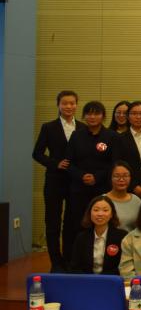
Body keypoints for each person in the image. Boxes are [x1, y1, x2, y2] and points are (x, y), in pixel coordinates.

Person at [33, 90, 85, 271]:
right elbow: (37, 153)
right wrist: (55, 163)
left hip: (75, 182)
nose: (69, 106)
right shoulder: (48, 127)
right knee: (53, 222)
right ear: (58, 105)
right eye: (65, 103)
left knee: (72, 222)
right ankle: (56, 261)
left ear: (76, 105)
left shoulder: (83, 127)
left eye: (72, 103)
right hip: (55, 180)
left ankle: (70, 260)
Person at [65, 100, 119, 261]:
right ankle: (74, 262)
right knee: (76, 225)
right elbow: (68, 163)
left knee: (102, 224)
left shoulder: (111, 136)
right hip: (78, 189)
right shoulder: (76, 135)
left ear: (103, 116)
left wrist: (97, 177)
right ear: (84, 116)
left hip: (102, 189)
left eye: (96, 114)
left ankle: (101, 260)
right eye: (89, 114)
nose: (92, 117)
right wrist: (81, 176)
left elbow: (114, 164)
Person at [68, 195, 128, 275]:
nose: (100, 214)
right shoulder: (81, 237)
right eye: (96, 210)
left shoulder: (122, 236)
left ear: (111, 214)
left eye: (105, 210)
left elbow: (124, 266)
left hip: (112, 280)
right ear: (90, 213)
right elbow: (74, 267)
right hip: (86, 280)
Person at [116, 101, 141, 200]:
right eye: (134, 113)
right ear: (128, 116)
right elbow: (118, 164)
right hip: (128, 188)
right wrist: (133, 186)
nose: (138, 117)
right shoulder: (119, 139)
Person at [105, 161, 141, 231]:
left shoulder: (137, 201)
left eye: (125, 176)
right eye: (117, 176)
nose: (121, 179)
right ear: (110, 178)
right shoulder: (103, 200)